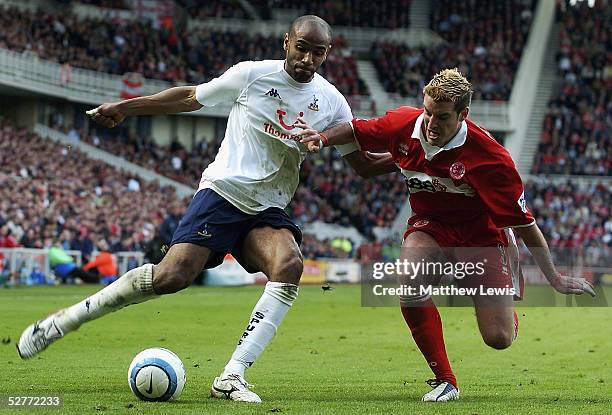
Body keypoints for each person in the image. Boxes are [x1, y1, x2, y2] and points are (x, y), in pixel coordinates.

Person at [17, 15, 396, 403]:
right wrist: (127, 108)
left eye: (318, 52)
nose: (308, 59)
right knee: (171, 277)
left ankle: (232, 375)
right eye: (302, 48)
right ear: (286, 42)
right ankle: (63, 322)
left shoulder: (332, 102)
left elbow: (362, 164)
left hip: (267, 208)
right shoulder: (251, 75)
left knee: (290, 265)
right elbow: (189, 97)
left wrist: (411, 157)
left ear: (327, 53)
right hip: (223, 192)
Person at [298, 68, 596, 402]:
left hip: (481, 235)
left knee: (498, 338)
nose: (430, 123)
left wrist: (554, 278)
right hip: (430, 224)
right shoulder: (403, 125)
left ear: (463, 115)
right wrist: (322, 138)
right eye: (427, 112)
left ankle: (500, 298)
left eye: (441, 117)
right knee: (409, 282)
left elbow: (526, 224)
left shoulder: (492, 159)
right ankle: (445, 380)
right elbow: (354, 130)